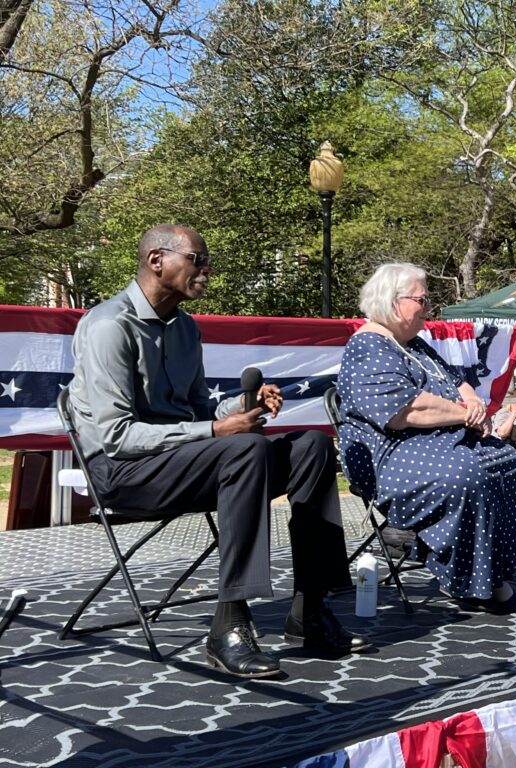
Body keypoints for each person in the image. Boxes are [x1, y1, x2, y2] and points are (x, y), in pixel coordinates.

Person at [68, 224, 371, 680]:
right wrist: (216, 429)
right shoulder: (109, 326)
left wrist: (241, 406)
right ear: (157, 260)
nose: (207, 271)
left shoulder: (185, 328)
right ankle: (229, 623)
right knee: (244, 450)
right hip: (123, 473)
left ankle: (310, 608)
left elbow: (194, 411)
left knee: (311, 445)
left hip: (184, 464)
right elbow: (117, 437)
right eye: (197, 260)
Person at [335, 263, 516, 614]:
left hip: (435, 440)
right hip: (389, 453)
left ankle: (493, 573)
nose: (428, 309)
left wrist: (472, 400)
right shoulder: (368, 346)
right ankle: (469, 580)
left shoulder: (413, 344)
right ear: (393, 302)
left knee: (506, 461)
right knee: (467, 471)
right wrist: (466, 414)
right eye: (422, 301)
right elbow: (404, 411)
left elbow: (458, 380)